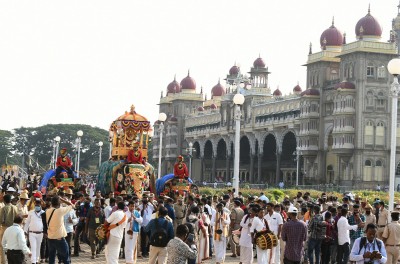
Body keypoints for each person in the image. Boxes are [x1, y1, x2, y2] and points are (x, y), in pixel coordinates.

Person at [45, 196, 73, 264]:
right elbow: (71, 205)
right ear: (59, 203)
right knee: (66, 258)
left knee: (51, 258)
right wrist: (63, 199)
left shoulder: (47, 211)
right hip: (59, 238)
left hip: (50, 237)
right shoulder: (60, 211)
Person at [24, 198, 44, 264]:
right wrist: (25, 231)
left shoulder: (44, 213)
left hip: (40, 233)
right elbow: (27, 222)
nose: (37, 206)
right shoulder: (30, 212)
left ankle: (36, 260)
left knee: (38, 247)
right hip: (32, 233)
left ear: (40, 205)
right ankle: (33, 262)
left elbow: (45, 223)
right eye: (36, 204)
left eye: (38, 204)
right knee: (33, 247)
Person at [0, 194, 18, 264]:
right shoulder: (15, 207)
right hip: (14, 228)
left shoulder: (3, 209)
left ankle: (3, 262)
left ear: (4, 200)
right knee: (12, 245)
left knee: (2, 245)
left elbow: (1, 220)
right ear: (10, 200)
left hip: (5, 228)